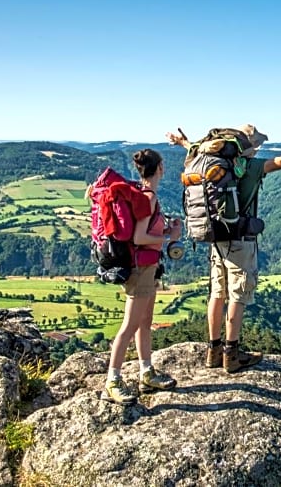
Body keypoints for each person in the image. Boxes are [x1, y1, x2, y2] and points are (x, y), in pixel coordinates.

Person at [166, 125, 281, 373]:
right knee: (237, 296)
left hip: (214, 236)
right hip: (240, 240)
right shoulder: (249, 167)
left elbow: (195, 148)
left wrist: (183, 143)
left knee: (217, 294)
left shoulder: (211, 161)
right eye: (257, 145)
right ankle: (232, 354)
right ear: (248, 147)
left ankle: (214, 350)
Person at [102, 148, 181, 404]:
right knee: (130, 326)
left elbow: (145, 232)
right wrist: (170, 236)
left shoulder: (147, 196)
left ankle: (146, 372)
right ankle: (112, 380)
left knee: (145, 322)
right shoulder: (147, 198)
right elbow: (139, 238)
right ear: (160, 168)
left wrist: (166, 228)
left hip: (148, 267)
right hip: (140, 269)